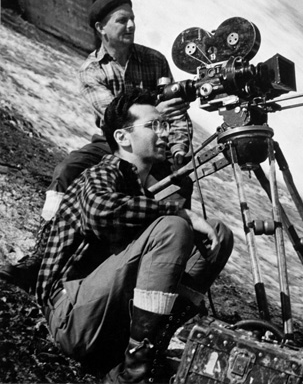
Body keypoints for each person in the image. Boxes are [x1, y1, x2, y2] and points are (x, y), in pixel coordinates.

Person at [36, 89, 234, 383]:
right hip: (70, 317)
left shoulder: (140, 188)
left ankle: (149, 344)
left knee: (218, 234)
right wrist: (178, 213)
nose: (164, 133)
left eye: (165, 125)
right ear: (122, 137)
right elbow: (99, 212)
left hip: (106, 323)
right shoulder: (102, 173)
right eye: (153, 126)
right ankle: (135, 373)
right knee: (174, 226)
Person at [0, 0, 192, 292]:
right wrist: (156, 107)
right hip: (112, 139)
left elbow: (178, 113)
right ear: (101, 27)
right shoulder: (92, 70)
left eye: (132, 19)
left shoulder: (155, 60)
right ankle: (41, 255)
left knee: (181, 183)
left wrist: (179, 147)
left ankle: (174, 270)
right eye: (122, 20)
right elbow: (114, 117)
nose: (131, 25)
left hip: (156, 138)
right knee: (68, 169)